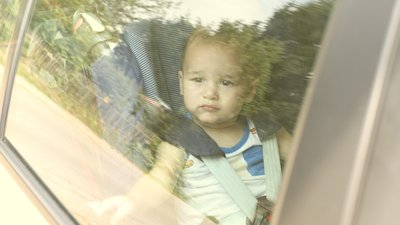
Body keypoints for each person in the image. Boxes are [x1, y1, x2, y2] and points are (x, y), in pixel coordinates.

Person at [175, 24, 292, 225]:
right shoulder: (179, 139)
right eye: (198, 79)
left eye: (226, 82)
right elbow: (158, 177)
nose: (210, 92)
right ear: (181, 83)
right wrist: (134, 200)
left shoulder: (265, 129)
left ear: (249, 90)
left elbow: (309, 165)